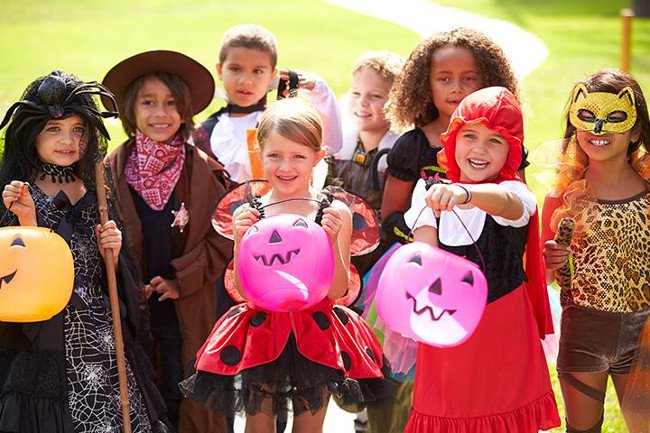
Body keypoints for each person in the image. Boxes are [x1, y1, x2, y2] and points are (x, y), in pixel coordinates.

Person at [181, 97, 390, 433]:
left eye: (297, 156)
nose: (285, 166)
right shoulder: (253, 212)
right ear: (260, 153)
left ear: (318, 157)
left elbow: (338, 290)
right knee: (258, 423)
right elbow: (245, 291)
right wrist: (239, 239)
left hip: (316, 330)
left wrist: (335, 239)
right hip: (264, 328)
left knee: (309, 426)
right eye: (274, 155)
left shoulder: (332, 212)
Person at [0, 71, 170, 432]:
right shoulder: (19, 192)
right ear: (32, 135)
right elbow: (16, 274)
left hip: (103, 332)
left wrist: (115, 247)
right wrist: (26, 221)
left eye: (78, 130)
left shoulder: (95, 184)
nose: (69, 140)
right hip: (49, 335)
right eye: (55, 129)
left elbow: (112, 268)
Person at [403, 86, 560, 432]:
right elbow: (424, 259)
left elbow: (504, 202)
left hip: (502, 332)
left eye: (495, 141)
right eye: (469, 135)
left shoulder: (515, 193)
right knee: (448, 414)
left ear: (511, 152)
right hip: (449, 331)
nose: (479, 149)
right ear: (452, 139)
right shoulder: (428, 192)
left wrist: (465, 193)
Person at [102, 50, 232, 433]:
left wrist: (180, 280)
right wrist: (125, 279)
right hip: (133, 307)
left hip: (188, 306)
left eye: (171, 103)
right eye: (149, 102)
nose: (161, 113)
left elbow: (223, 238)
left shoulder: (204, 171)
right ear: (131, 109)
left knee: (187, 393)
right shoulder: (110, 169)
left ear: (185, 111)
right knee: (143, 395)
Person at [541, 69, 650, 433]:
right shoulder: (563, 195)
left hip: (644, 335)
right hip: (583, 331)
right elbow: (544, 276)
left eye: (615, 118)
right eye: (587, 117)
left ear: (636, 131)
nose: (598, 129)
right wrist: (550, 262)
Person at [381, 27, 525, 247]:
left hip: (495, 267)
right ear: (426, 85)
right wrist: (436, 239)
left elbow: (522, 213)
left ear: (487, 82)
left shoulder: (506, 144)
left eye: (469, 78)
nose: (457, 88)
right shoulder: (412, 146)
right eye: (444, 79)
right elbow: (391, 218)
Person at [192, 23, 342, 184]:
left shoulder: (282, 123)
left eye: (258, 71)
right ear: (220, 70)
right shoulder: (203, 132)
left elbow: (332, 144)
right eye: (235, 69)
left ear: (273, 75)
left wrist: (318, 89)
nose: (246, 81)